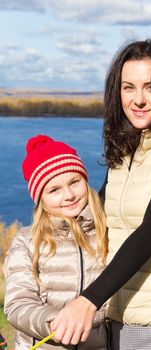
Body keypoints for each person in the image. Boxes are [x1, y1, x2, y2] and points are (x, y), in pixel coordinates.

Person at [50, 39, 151, 350]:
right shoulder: (124, 157)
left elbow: (150, 232)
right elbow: (92, 219)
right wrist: (26, 247)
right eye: (128, 87)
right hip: (119, 325)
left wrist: (88, 300)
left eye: (150, 87)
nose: (138, 99)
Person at [4, 135, 108, 350]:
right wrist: (54, 324)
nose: (69, 195)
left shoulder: (108, 232)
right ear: (40, 198)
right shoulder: (26, 241)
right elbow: (18, 305)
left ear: (85, 181)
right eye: (54, 190)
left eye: (74, 182)